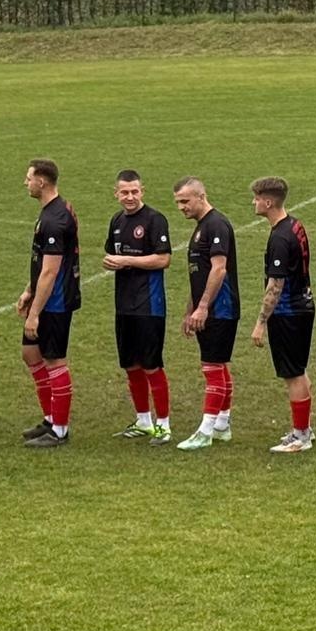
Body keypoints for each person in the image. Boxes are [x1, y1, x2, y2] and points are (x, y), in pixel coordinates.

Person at [102, 169, 173, 442]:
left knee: (151, 365)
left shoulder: (155, 220)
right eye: (124, 192)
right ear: (116, 194)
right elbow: (112, 253)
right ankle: (144, 421)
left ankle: (163, 425)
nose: (130, 197)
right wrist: (110, 261)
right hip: (124, 305)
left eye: (134, 191)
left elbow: (163, 259)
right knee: (130, 364)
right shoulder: (117, 220)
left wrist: (126, 261)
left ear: (142, 191)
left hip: (149, 304)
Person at [16, 158, 79, 448]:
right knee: (31, 353)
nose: (26, 182)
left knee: (54, 360)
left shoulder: (55, 219)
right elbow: (42, 263)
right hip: (44, 297)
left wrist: (35, 314)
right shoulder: (55, 210)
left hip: (55, 302)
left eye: (29, 178)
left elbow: (51, 270)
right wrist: (29, 290)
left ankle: (60, 430)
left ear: (41, 181)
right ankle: (50, 418)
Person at [173, 176, 239, 451]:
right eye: (178, 202)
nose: (181, 207)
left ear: (202, 196)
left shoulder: (216, 225)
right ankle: (222, 425)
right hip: (211, 308)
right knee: (219, 365)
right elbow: (198, 274)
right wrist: (191, 308)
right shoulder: (203, 226)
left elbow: (219, 268)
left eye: (185, 201)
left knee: (212, 367)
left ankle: (205, 431)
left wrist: (203, 307)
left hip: (220, 309)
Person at [249, 177, 315, 453]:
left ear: (268, 201)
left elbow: (275, 285)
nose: (253, 202)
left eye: (256, 198)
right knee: (298, 370)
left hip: (288, 312)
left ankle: (301, 436)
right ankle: (304, 429)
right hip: (303, 306)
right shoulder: (295, 224)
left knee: (293, 374)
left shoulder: (279, 237)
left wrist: (260, 322)